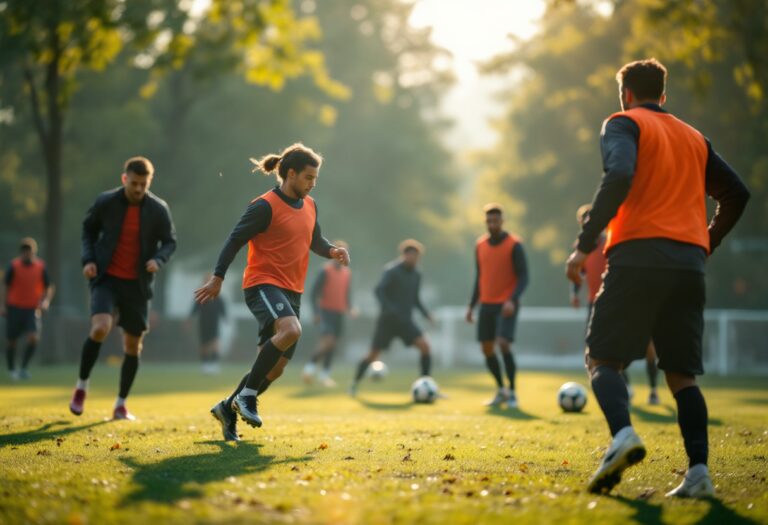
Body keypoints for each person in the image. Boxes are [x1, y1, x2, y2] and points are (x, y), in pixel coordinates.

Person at [566, 58, 750, 497]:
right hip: (688, 265)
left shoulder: (623, 124)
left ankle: (623, 436)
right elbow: (737, 193)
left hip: (637, 256)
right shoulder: (694, 137)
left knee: (601, 359)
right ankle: (699, 473)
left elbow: (621, 174)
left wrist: (585, 243)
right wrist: (706, 241)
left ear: (625, 94)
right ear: (664, 95)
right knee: (682, 376)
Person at [194, 143, 349, 441]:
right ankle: (247, 397)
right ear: (290, 174)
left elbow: (314, 240)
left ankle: (228, 408)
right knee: (291, 330)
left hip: (293, 290)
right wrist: (217, 277)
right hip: (262, 284)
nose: (312, 183)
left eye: (315, 178)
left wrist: (332, 250)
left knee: (274, 370)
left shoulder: (311, 205)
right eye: (308, 177)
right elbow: (234, 240)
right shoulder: (264, 206)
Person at [70, 156, 177, 420]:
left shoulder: (158, 209)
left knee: (132, 345)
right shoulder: (106, 202)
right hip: (107, 278)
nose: (139, 189)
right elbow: (88, 230)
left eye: (144, 184)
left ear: (149, 182)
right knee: (100, 328)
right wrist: (89, 260)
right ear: (124, 179)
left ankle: (120, 404)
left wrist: (158, 259)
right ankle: (82, 386)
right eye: (134, 183)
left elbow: (169, 242)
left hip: (137, 285)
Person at [570, 204, 660, 405]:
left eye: (591, 220)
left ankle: (653, 389)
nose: (588, 223)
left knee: (648, 348)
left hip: (621, 300)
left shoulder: (612, 241)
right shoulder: (581, 248)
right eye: (584, 221)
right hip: (595, 304)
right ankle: (624, 387)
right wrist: (574, 293)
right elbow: (580, 273)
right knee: (601, 348)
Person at [349, 240, 434, 398]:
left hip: (406, 322)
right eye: (411, 255)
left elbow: (415, 298)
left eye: (417, 256)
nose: (414, 259)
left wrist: (426, 314)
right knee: (373, 355)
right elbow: (379, 291)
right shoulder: (392, 271)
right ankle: (354, 384)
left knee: (425, 347)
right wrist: (391, 309)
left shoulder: (417, 274)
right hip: (387, 322)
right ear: (404, 255)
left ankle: (426, 384)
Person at [465, 204, 528, 408]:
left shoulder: (514, 245)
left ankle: (513, 393)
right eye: (489, 221)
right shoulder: (480, 245)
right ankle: (501, 389)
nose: (493, 224)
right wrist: (471, 305)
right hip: (486, 304)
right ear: (486, 222)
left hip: (506, 305)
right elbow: (479, 277)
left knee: (503, 343)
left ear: (502, 221)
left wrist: (512, 299)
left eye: (496, 220)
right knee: (486, 348)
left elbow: (524, 277)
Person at [302, 240, 355, 387]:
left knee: (332, 344)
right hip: (326, 312)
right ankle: (309, 369)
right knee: (328, 341)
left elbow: (347, 293)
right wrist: (316, 312)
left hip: (339, 312)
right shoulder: (325, 270)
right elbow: (313, 294)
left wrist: (350, 308)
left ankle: (325, 375)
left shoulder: (347, 273)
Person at [1, 238, 55, 380]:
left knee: (33, 337)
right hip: (14, 307)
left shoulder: (40, 267)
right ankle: (12, 369)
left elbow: (48, 286)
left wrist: (46, 301)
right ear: (21, 253)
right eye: (24, 252)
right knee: (11, 340)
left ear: (34, 252)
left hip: (32, 309)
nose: (27, 254)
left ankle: (23, 368)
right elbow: (5, 286)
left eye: (29, 252)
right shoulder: (14, 266)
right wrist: (2, 304)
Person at [190, 273, 227, 375]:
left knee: (215, 343)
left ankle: (214, 365)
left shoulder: (218, 296)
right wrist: (189, 319)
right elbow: (194, 309)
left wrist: (226, 319)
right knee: (204, 345)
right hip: (203, 323)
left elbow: (223, 310)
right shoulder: (201, 295)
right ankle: (205, 365)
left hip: (214, 323)